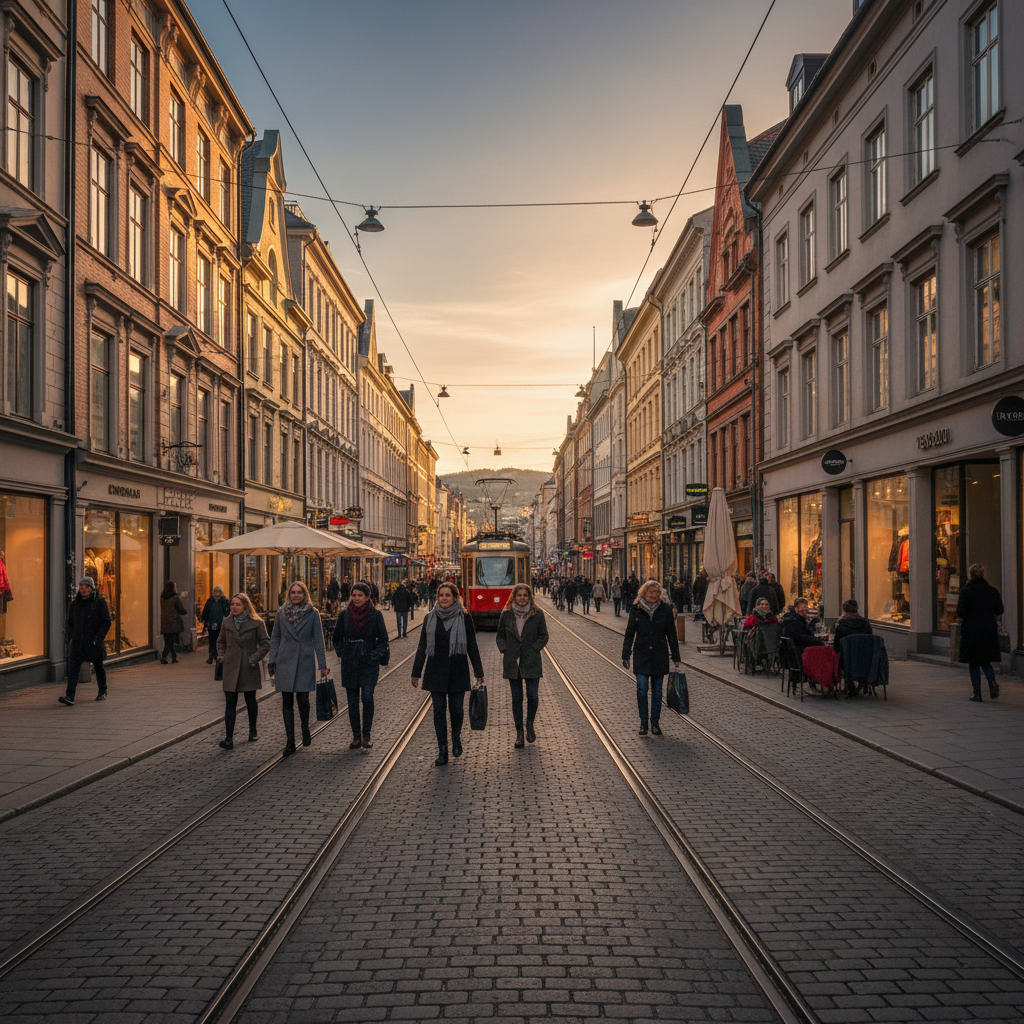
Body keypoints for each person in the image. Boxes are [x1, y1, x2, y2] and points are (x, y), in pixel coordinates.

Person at [411, 582, 484, 766]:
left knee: (457, 711)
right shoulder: (429, 618)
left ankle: (456, 737)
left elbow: (472, 646)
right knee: (438, 713)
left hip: (457, 671)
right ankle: (442, 750)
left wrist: (478, 671)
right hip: (435, 671)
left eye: (447, 595)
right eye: (441, 595)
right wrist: (416, 672)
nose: (443, 598)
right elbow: (422, 646)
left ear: (454, 597)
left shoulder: (464, 618)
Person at [268, 581, 329, 755]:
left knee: (303, 699)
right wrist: (272, 660)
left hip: (304, 660)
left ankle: (305, 727)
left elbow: (318, 639)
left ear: (305, 594)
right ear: (289, 594)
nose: (296, 595)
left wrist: (323, 665)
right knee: (287, 702)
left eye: (299, 592)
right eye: (293, 592)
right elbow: (275, 637)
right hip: (285, 661)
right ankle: (290, 742)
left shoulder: (312, 613)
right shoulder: (281, 612)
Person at [333, 581, 390, 748]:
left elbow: (383, 638)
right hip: (350, 661)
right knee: (352, 702)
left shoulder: (376, 615)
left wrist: (376, 654)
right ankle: (356, 736)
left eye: (360, 595)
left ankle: (367, 734)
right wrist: (342, 652)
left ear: (367, 597)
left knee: (367, 697)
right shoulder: (344, 615)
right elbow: (336, 638)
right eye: (354, 595)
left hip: (368, 661)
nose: (356, 598)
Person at [621, 580, 681, 736]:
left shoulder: (666, 610)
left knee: (657, 691)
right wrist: (626, 654)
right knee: (641, 688)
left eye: (656, 592)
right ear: (644, 593)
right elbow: (629, 632)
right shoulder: (636, 609)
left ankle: (655, 722)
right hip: (641, 654)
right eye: (651, 592)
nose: (654, 595)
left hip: (659, 655)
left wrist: (676, 656)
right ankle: (643, 722)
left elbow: (672, 635)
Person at [495, 584, 549, 748]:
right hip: (512, 662)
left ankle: (529, 723)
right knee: (517, 699)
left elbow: (544, 635)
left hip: (531, 660)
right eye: (519, 595)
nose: (522, 598)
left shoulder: (537, 614)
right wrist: (505, 648)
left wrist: (534, 649)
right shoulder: (506, 614)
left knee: (532, 696)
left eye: (525, 595)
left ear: (529, 597)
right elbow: (500, 636)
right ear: (514, 596)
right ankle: (519, 733)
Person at [216, 593, 270, 749]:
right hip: (231, 666)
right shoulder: (226, 622)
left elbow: (266, 643)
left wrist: (253, 658)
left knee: (250, 700)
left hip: (248, 666)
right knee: (230, 703)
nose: (234, 607)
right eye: (232, 604)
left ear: (245, 606)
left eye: (237, 604)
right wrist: (222, 656)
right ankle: (229, 739)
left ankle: (252, 730)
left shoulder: (257, 623)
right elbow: (220, 641)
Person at [59, 578, 112, 705]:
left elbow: (106, 622)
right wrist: (73, 636)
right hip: (79, 642)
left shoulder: (99, 603)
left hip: (94, 641)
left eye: (86, 587)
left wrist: (98, 639)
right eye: (82, 587)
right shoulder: (76, 603)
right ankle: (70, 696)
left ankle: (102, 691)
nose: (83, 589)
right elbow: (70, 622)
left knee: (98, 666)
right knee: (74, 667)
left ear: (92, 588)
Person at [956, 563, 1003, 702]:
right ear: (984, 574)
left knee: (973, 662)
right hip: (988, 628)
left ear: (970, 575)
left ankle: (977, 693)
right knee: (985, 659)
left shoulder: (966, 591)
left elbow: (960, 612)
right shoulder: (992, 591)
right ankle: (992, 681)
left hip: (971, 629)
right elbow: (999, 610)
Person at [159, 581, 188, 664]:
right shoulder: (174, 597)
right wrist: (184, 611)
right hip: (173, 623)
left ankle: (174, 657)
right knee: (170, 642)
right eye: (175, 587)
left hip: (164, 622)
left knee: (168, 640)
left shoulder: (163, 597)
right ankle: (164, 657)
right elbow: (180, 609)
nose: (176, 588)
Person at [201, 586, 230, 665]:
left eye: (218, 591)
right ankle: (211, 655)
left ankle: (217, 655)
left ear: (221, 592)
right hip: (212, 623)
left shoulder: (224, 601)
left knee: (219, 640)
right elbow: (206, 611)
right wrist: (204, 619)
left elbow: (227, 612)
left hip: (221, 624)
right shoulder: (210, 600)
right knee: (212, 640)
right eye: (215, 591)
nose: (216, 593)